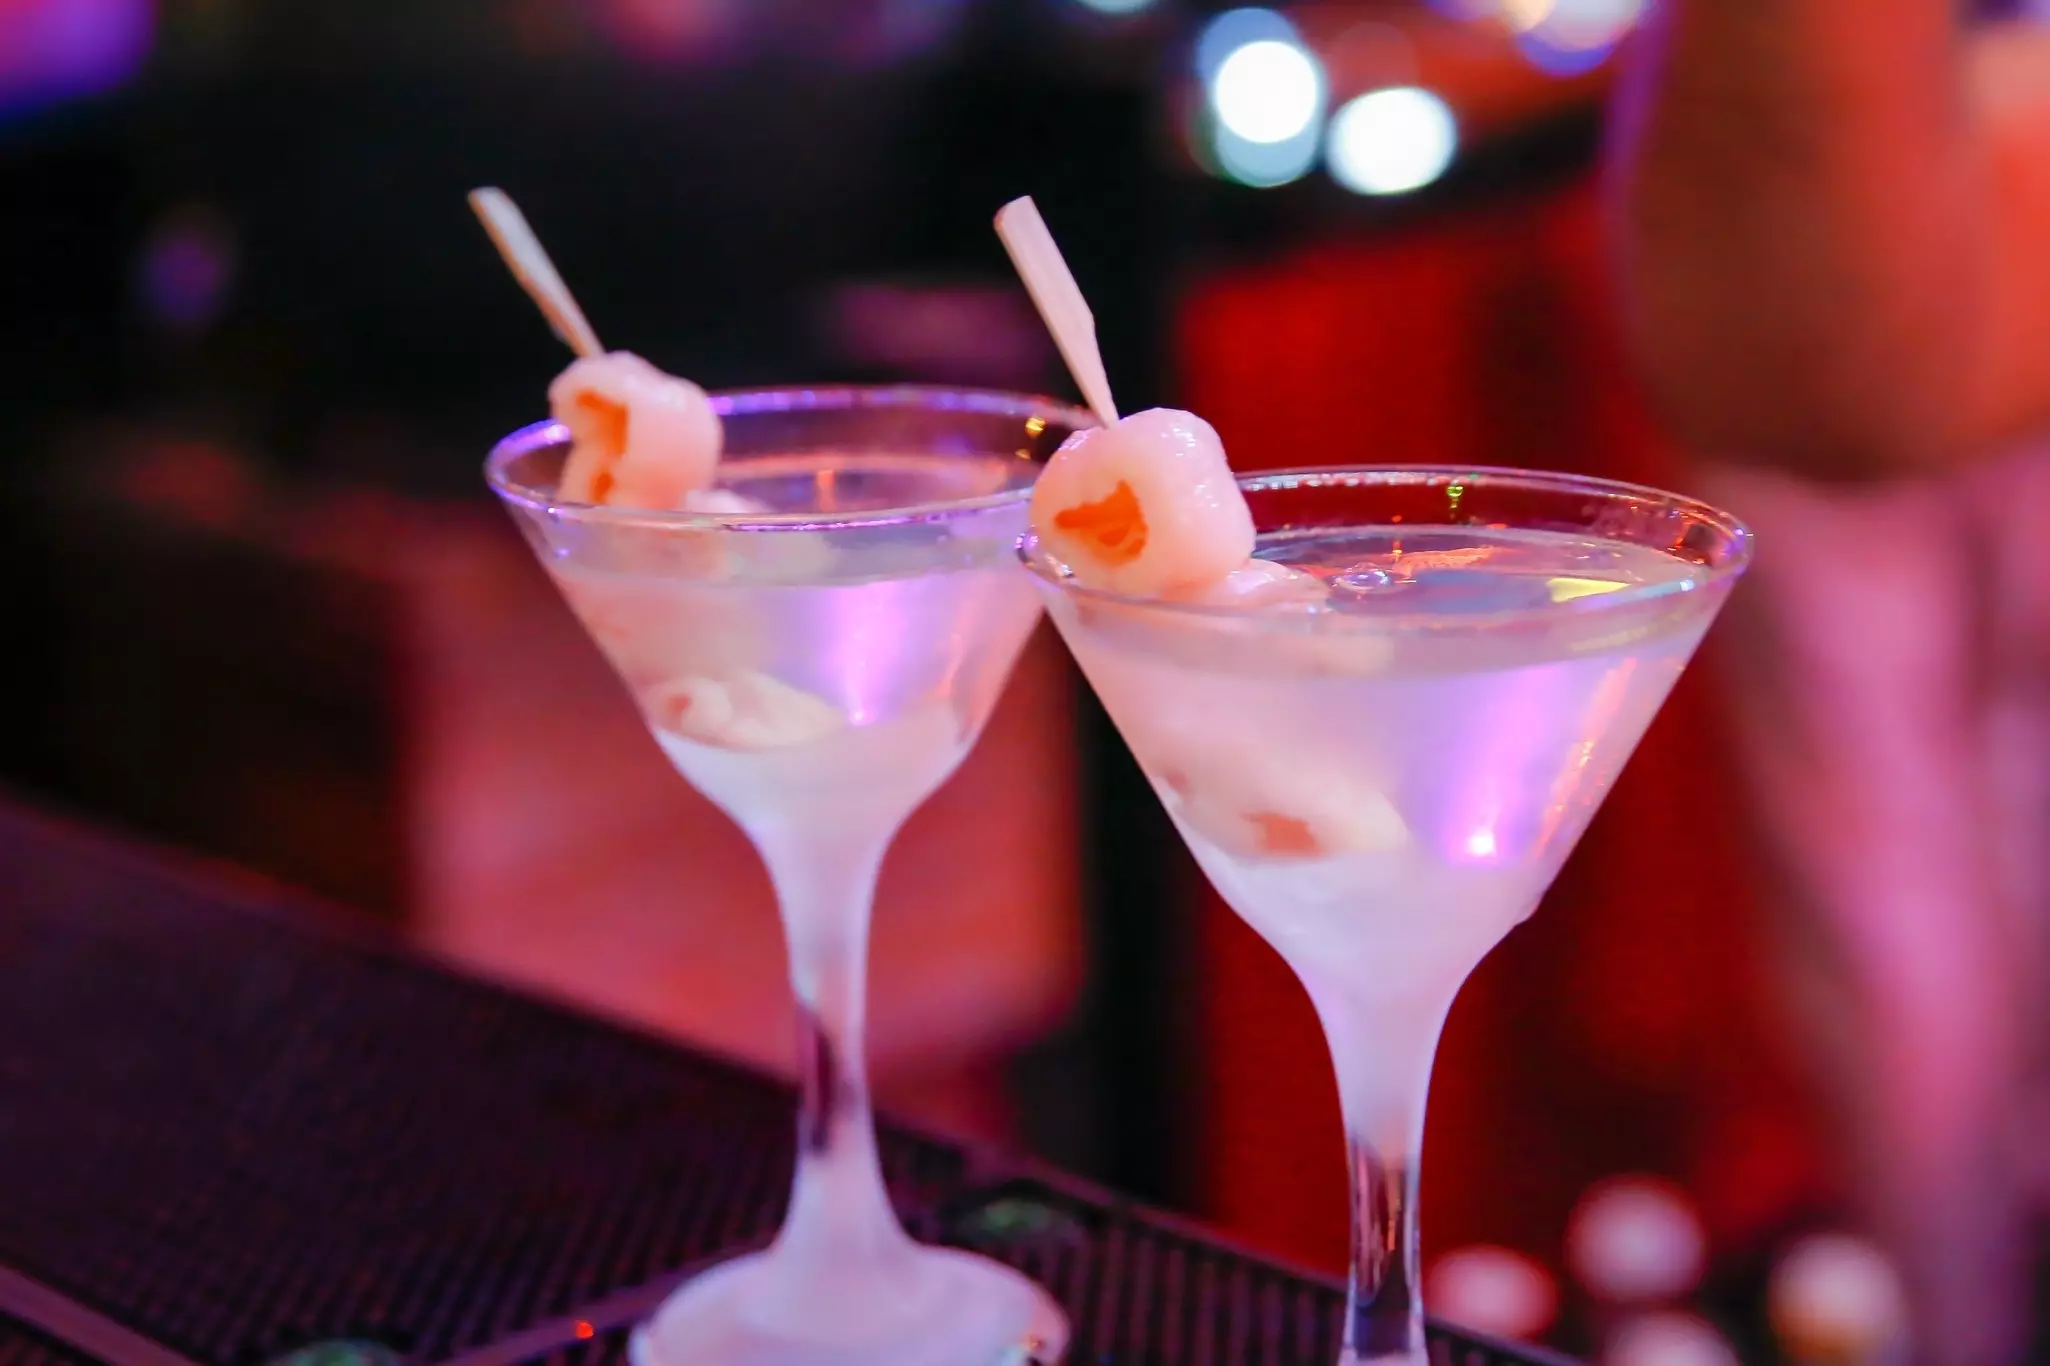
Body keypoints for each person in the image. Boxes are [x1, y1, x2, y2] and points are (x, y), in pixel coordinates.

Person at [1606, 4, 2050, 1363]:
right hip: (1830, 153)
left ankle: (1962, 1309)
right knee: (1888, 874)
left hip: (1847, 161)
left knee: (1886, 875)